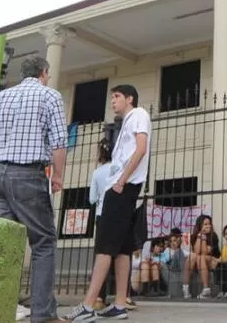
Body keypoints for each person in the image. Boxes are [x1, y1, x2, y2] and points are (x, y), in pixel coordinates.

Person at [0, 56, 66, 323]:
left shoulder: (2, 97)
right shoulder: (50, 95)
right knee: (43, 243)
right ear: (44, 72)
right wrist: (58, 176)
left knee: (3, 244)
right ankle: (43, 314)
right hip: (28, 175)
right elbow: (59, 142)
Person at [68, 84, 152, 321]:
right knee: (123, 248)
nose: (113, 101)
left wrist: (122, 181)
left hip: (123, 188)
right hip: (122, 188)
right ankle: (120, 304)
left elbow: (141, 149)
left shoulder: (138, 114)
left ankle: (87, 306)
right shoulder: (127, 121)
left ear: (130, 98)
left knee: (105, 246)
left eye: (117, 96)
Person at [90, 140, 114, 311]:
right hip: (117, 214)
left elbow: (92, 199)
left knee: (101, 255)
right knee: (119, 255)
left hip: (101, 214)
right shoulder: (119, 169)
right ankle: (123, 295)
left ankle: (99, 296)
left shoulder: (97, 173)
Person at [182, 214, 220, 299]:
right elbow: (196, 251)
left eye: (209, 224)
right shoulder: (195, 236)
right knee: (192, 256)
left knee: (201, 257)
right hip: (198, 261)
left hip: (212, 260)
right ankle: (185, 288)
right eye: (205, 224)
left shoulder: (213, 236)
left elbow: (204, 252)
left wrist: (203, 237)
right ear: (200, 226)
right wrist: (200, 235)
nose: (208, 226)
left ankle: (206, 289)